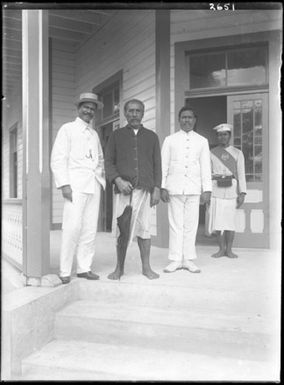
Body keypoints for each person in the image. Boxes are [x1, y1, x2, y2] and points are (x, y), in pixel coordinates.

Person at [50, 92, 105, 284]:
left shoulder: (94, 133)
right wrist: (64, 184)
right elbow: (58, 158)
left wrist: (99, 178)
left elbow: (100, 158)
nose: (89, 111)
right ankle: (65, 271)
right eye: (86, 107)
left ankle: (84, 268)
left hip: (93, 185)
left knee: (89, 229)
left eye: (92, 108)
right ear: (79, 108)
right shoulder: (68, 129)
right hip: (75, 186)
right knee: (72, 228)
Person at [105, 99, 161, 280]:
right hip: (124, 192)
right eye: (130, 111)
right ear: (125, 113)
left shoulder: (152, 136)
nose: (134, 114)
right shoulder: (116, 135)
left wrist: (157, 188)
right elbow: (108, 162)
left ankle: (146, 267)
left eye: (138, 111)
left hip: (145, 190)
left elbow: (157, 165)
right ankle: (119, 268)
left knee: (144, 229)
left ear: (143, 113)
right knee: (122, 229)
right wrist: (117, 180)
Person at [161, 106, 212, 273]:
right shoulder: (170, 140)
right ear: (179, 119)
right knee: (176, 225)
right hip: (174, 188)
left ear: (194, 120)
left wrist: (207, 189)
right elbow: (164, 165)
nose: (187, 120)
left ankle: (188, 259)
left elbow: (205, 167)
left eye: (190, 117)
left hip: (194, 188)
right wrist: (162, 187)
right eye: (183, 117)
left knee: (191, 225)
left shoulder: (202, 141)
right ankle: (176, 259)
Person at [208, 123, 246, 258]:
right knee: (218, 223)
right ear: (217, 137)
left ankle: (229, 250)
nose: (222, 137)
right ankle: (220, 249)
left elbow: (241, 174)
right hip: (217, 191)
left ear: (229, 136)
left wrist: (242, 193)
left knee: (229, 223)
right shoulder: (212, 153)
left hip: (231, 192)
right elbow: (208, 173)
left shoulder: (237, 153)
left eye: (225, 134)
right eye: (219, 135)